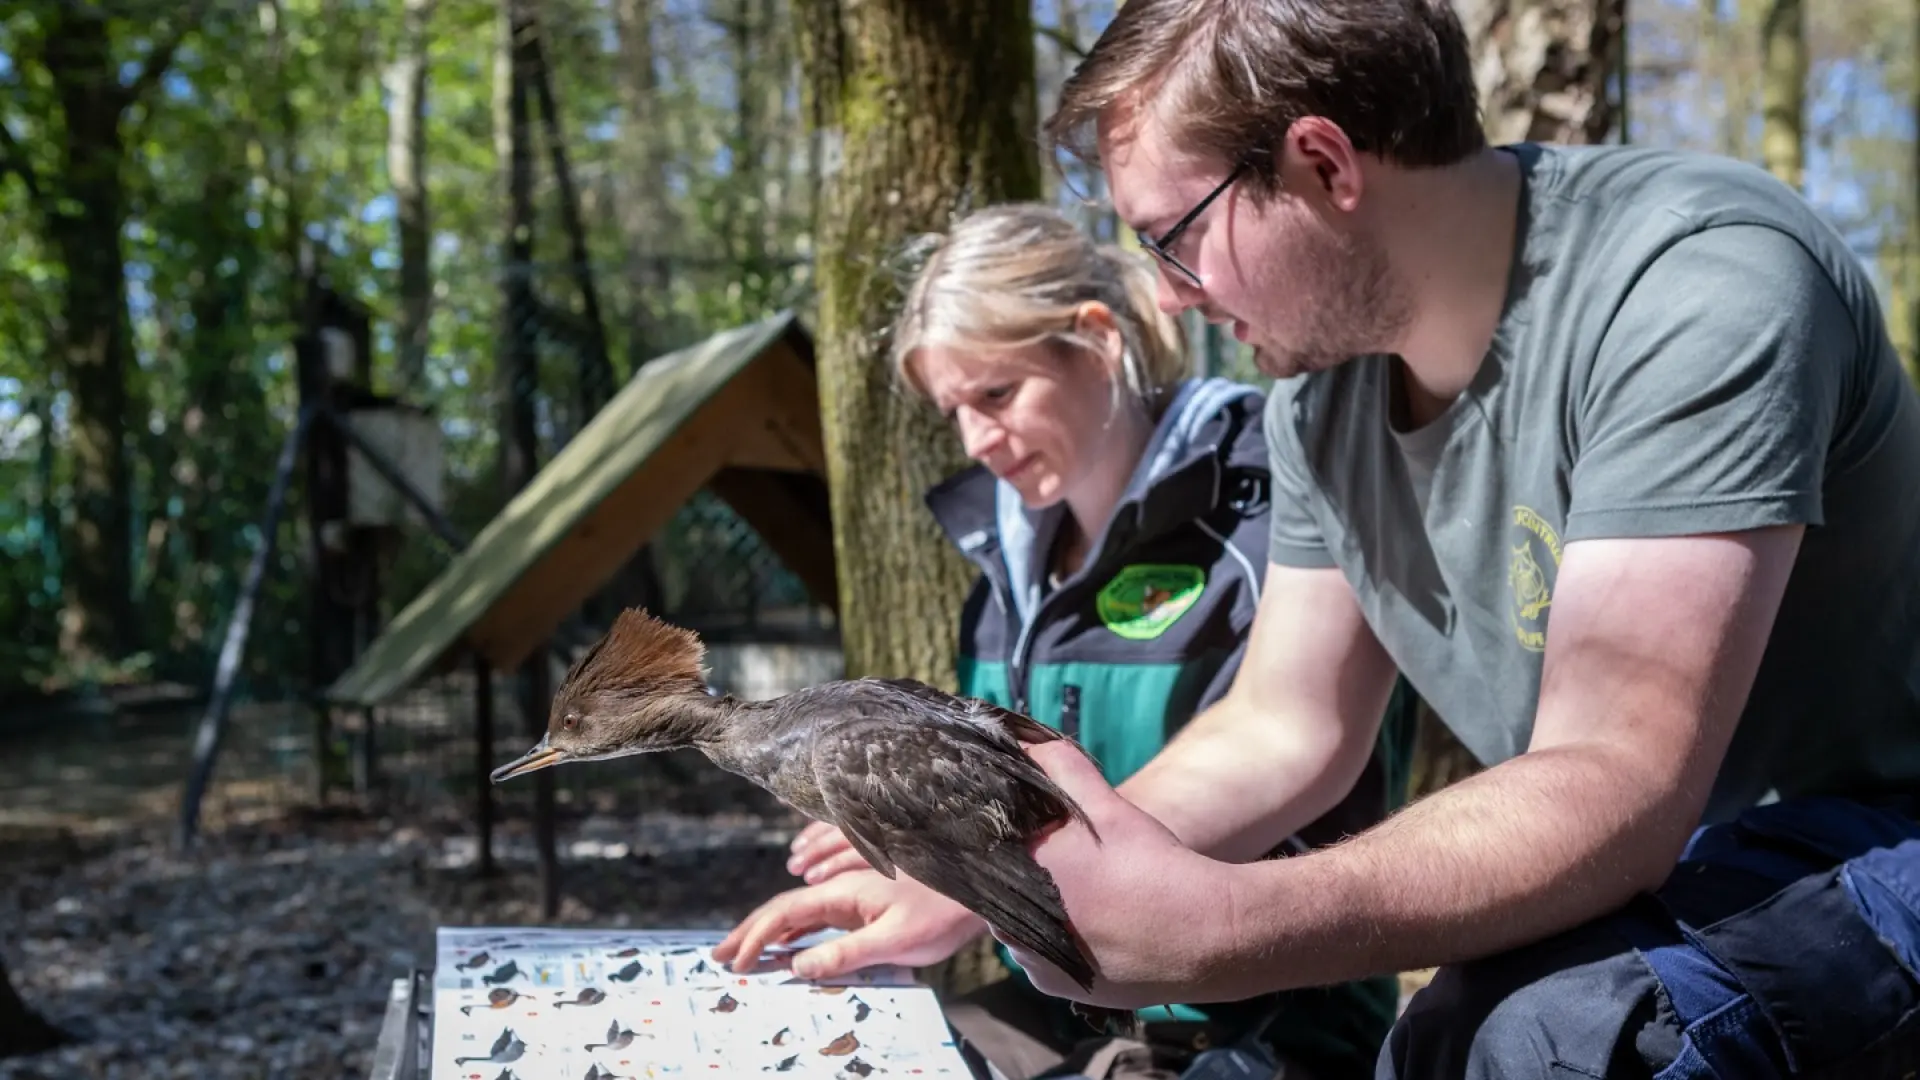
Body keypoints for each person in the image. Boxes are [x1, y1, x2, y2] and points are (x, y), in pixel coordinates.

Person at [895, 1, 1920, 1077]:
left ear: (1324, 164)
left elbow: (1619, 776)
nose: (1166, 294)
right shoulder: (1317, 406)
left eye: (1174, 238)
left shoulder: (1699, 282)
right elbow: (1286, 728)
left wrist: (1226, 927)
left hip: (1875, 829)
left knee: (1565, 1035)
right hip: (1679, 867)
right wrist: (995, 872)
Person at [713, 202, 1422, 1080]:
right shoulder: (1005, 572)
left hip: (1261, 1025)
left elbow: (1280, 755)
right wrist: (911, 839)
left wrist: (978, 879)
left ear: (1097, 339)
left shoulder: (1272, 508)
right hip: (1067, 1008)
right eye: (956, 410)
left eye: (998, 394)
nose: (977, 441)